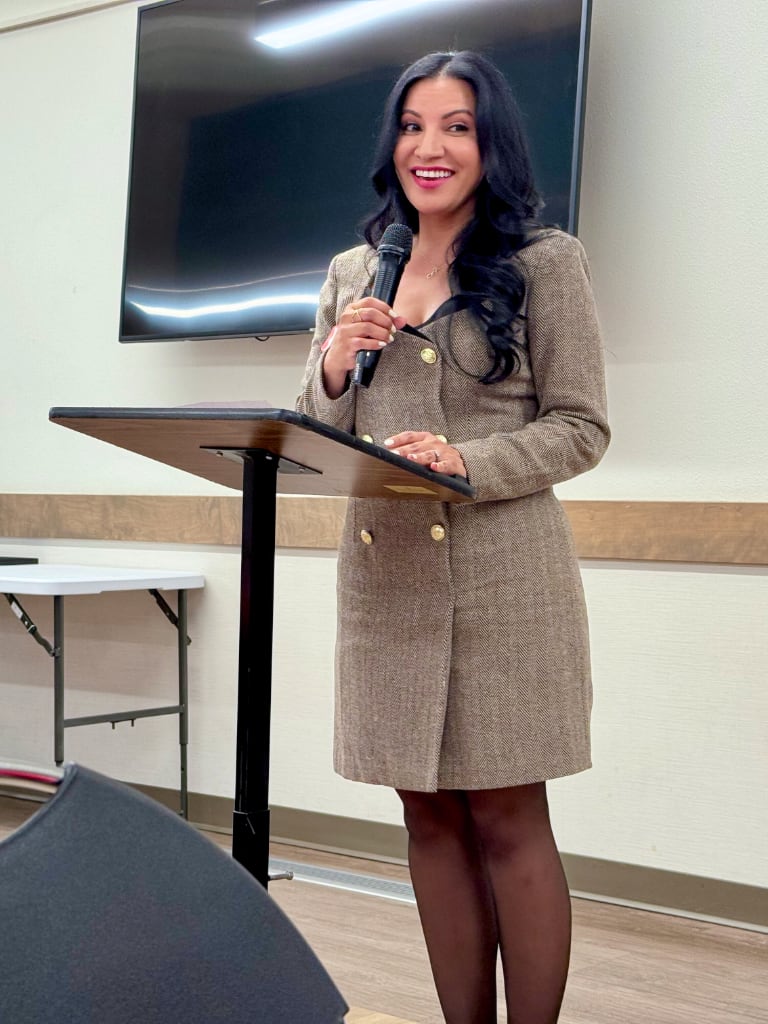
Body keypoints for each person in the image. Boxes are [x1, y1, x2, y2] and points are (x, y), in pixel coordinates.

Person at [297, 50, 609, 1024]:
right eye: (413, 125)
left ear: (491, 143)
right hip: (386, 583)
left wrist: (465, 461)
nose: (429, 147)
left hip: (504, 579)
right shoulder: (355, 272)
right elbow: (317, 427)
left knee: (509, 815)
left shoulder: (545, 262)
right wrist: (334, 362)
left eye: (457, 126)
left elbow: (581, 427)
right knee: (426, 814)